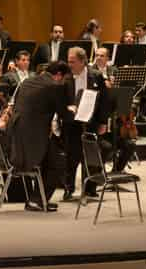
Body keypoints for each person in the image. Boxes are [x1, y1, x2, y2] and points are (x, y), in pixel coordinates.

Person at [7, 61, 74, 211]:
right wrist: (75, 111)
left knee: (50, 160)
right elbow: (63, 113)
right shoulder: (54, 86)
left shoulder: (28, 81)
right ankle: (36, 200)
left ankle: (38, 199)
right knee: (58, 163)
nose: (63, 82)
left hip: (16, 135)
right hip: (32, 139)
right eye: (64, 79)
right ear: (58, 75)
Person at [63, 46, 111, 200]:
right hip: (72, 122)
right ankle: (68, 189)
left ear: (83, 61)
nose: (69, 65)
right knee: (72, 157)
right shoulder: (65, 76)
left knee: (91, 156)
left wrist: (103, 122)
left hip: (91, 122)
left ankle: (90, 188)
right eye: (68, 61)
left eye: (73, 62)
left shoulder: (96, 76)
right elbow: (60, 98)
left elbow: (105, 101)